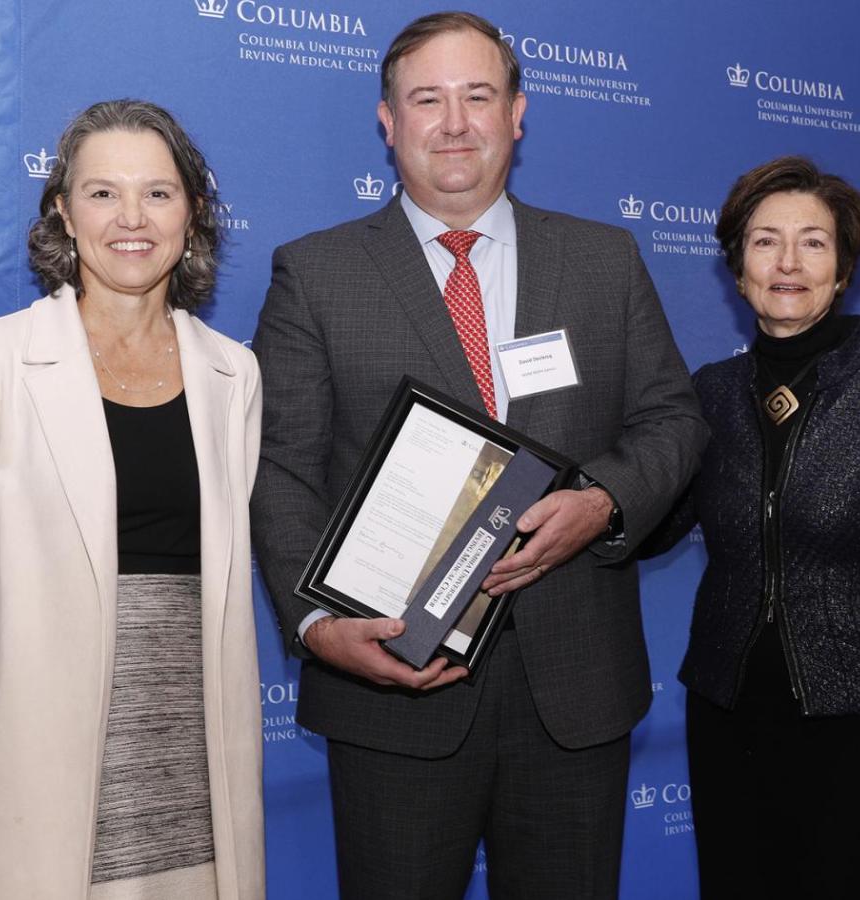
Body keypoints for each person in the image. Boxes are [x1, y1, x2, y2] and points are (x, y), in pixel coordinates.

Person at [250, 11, 706, 899]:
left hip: (574, 688)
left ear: (517, 114)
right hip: (392, 689)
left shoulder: (604, 259)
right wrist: (318, 627)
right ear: (389, 121)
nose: (455, 123)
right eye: (427, 99)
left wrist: (602, 501)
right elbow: (282, 470)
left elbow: (673, 421)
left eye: (478, 96)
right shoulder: (316, 273)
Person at [0, 99, 264, 899]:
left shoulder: (233, 373)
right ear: (65, 215)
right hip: (41, 745)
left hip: (196, 744)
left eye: (158, 193)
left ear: (192, 213)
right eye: (103, 193)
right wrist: (7, 712)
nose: (131, 218)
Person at [644, 156, 860, 898]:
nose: (788, 263)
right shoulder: (709, 393)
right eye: (765, 241)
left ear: (844, 270)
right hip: (728, 714)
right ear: (737, 267)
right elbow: (655, 527)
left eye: (813, 242)